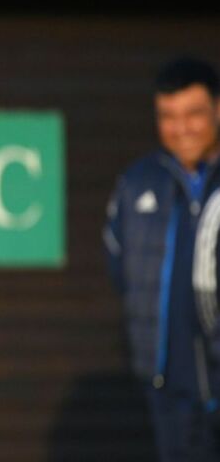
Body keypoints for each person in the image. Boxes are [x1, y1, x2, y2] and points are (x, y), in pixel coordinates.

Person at [104, 56, 220, 461]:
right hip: (170, 386)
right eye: (168, 116)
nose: (181, 128)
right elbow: (119, 268)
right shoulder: (137, 183)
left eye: (193, 114)